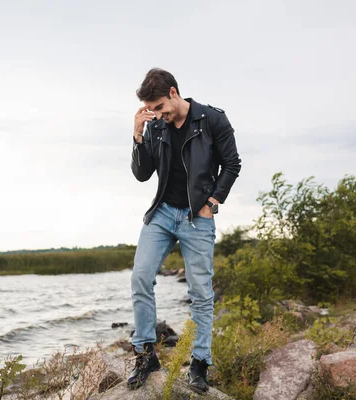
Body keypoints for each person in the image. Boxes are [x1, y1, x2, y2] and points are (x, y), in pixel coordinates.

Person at [127, 68, 241, 394]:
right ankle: (146, 354)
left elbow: (232, 163)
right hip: (162, 213)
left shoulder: (212, 120)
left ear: (174, 93)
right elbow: (142, 173)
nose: (158, 115)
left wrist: (213, 201)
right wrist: (138, 135)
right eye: (152, 111)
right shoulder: (157, 126)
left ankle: (200, 364)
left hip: (197, 216)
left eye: (160, 107)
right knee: (140, 277)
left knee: (202, 293)